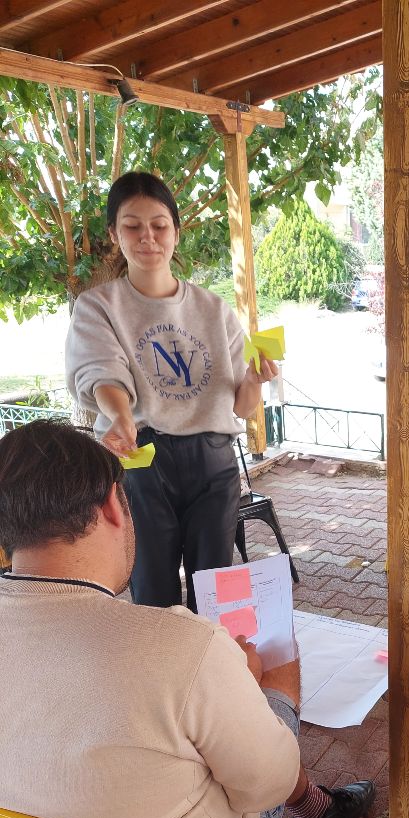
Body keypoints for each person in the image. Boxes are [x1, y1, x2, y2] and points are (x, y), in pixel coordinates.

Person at [0, 420, 373, 818]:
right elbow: (267, 784)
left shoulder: (179, 650)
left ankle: (311, 800)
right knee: (271, 692)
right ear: (112, 507)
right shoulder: (179, 644)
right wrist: (261, 690)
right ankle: (314, 809)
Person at [65, 170, 275, 613]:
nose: (148, 237)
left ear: (176, 232)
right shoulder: (98, 306)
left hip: (213, 461)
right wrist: (121, 416)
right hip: (142, 458)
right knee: (152, 589)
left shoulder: (214, 309)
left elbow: (241, 406)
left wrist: (254, 381)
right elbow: (103, 373)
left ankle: (209, 659)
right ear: (114, 233)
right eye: (132, 226)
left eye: (159, 225)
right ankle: (158, 660)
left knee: (215, 594)